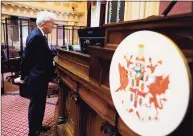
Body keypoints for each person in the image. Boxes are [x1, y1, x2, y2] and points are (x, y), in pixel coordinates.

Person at [15, 11, 56, 136]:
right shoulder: (37, 36)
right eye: (52, 23)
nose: (53, 26)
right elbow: (26, 59)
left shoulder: (40, 35)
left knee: (40, 104)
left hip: (40, 77)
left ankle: (38, 126)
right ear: (44, 23)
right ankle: (32, 132)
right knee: (36, 105)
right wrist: (22, 77)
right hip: (37, 77)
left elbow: (41, 55)